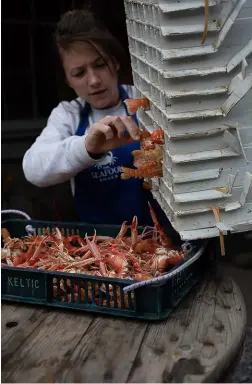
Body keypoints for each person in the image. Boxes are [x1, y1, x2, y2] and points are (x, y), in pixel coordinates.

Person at [23, 9, 170, 228]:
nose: (93, 80)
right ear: (67, 80)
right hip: (101, 247)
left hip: (163, 238)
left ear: (116, 63)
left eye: (100, 65)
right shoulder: (68, 115)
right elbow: (33, 169)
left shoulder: (145, 98)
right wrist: (87, 148)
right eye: (79, 73)